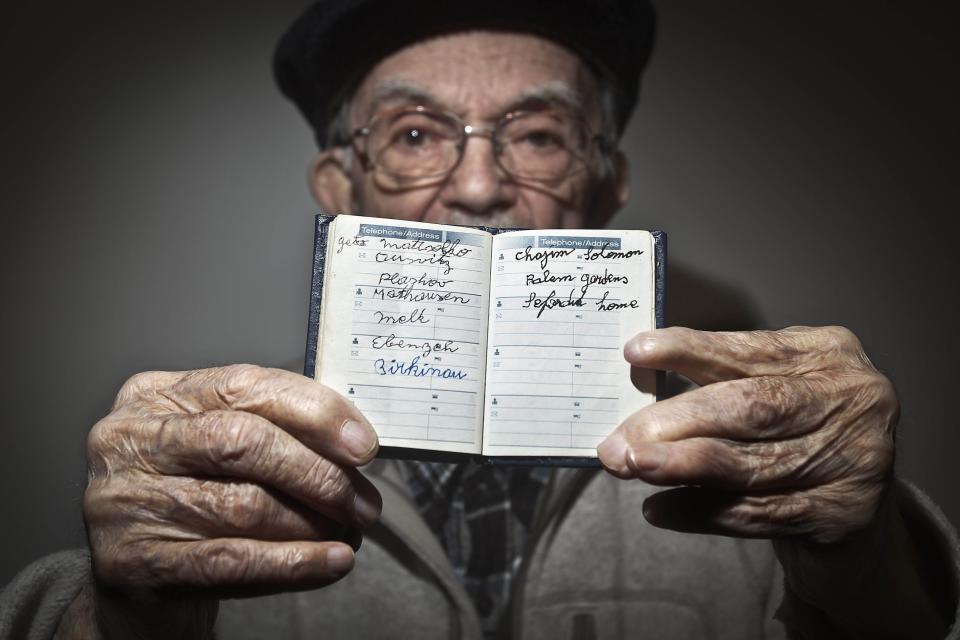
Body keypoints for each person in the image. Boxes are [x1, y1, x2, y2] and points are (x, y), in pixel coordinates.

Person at [2, 1, 958, 638]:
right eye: (415, 134)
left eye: (538, 135)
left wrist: (870, 546)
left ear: (606, 182)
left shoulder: (739, 484)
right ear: (339, 186)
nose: (477, 186)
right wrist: (113, 612)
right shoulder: (218, 476)